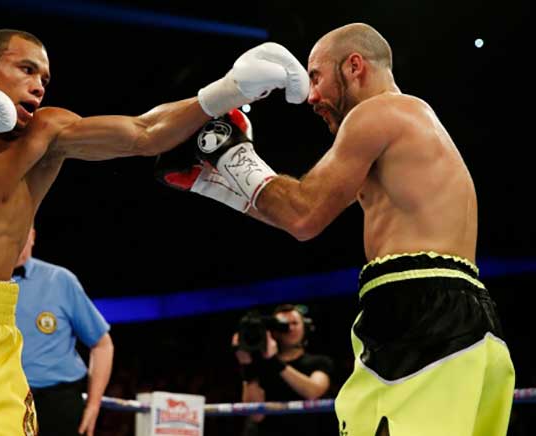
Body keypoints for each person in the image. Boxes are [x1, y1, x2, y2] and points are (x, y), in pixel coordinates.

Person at [0, 27, 308, 435]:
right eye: (26, 70)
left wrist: (225, 91)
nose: (39, 87)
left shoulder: (45, 135)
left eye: (44, 78)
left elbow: (144, 134)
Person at [161, 23, 516, 435]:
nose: (311, 96)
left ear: (353, 66)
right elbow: (297, 217)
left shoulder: (378, 112)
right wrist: (212, 181)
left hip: (420, 314)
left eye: (316, 76)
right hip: (469, 320)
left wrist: (227, 149)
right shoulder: (410, 129)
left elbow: (303, 214)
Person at [13, 227, 113, 436]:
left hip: (58, 401)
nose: (18, 240)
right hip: (3, 399)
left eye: (23, 232)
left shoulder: (59, 280)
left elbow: (102, 344)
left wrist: (94, 405)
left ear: (33, 236)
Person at [233, 304, 334, 436]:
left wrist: (273, 360)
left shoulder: (319, 362)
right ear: (273, 330)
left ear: (305, 327)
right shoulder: (258, 365)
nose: (290, 328)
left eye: (295, 323)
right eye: (283, 324)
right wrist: (247, 365)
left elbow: (313, 391)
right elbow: (255, 415)